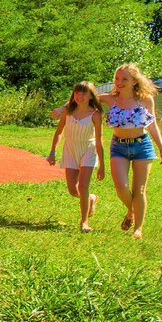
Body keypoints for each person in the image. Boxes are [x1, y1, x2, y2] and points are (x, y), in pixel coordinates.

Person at [97, 63, 162, 239]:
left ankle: (138, 228)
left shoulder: (145, 99)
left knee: (140, 190)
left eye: (124, 79)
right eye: (117, 78)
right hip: (118, 146)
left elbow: (152, 125)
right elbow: (82, 97)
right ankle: (132, 210)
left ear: (134, 81)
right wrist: (62, 109)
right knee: (121, 187)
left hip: (142, 146)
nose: (119, 82)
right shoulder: (109, 98)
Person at [46, 81, 104, 232]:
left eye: (84, 93)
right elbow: (59, 132)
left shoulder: (95, 115)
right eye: (77, 92)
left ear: (91, 96)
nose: (80, 96)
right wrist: (52, 152)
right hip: (70, 150)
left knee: (83, 186)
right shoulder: (68, 111)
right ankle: (91, 199)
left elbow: (99, 140)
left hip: (88, 150)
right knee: (73, 190)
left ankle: (84, 222)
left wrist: (102, 165)